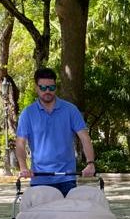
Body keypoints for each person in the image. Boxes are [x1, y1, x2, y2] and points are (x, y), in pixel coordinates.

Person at [15, 67, 96, 196]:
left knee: (67, 215)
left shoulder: (70, 110)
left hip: (67, 178)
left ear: (55, 87)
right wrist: (23, 167)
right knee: (40, 216)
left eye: (51, 88)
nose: (48, 91)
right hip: (39, 178)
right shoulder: (28, 114)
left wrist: (90, 163)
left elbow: (84, 137)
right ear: (36, 88)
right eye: (43, 88)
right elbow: (20, 143)